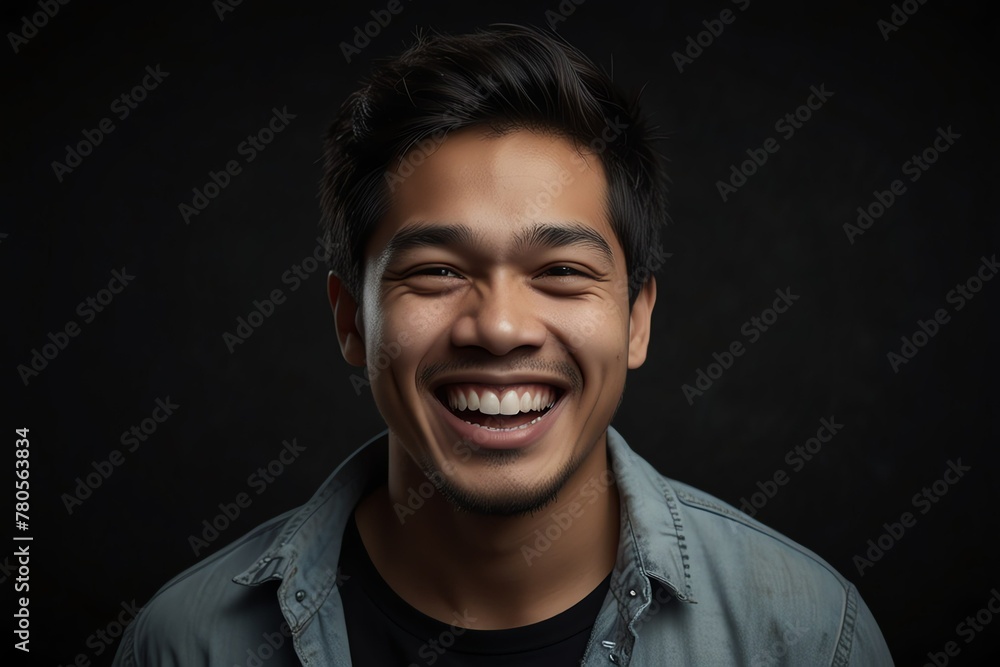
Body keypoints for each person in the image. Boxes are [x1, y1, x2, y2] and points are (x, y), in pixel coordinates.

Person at [113, 25, 893, 666]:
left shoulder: (808, 638)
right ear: (352, 319)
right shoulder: (188, 644)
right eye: (437, 270)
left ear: (636, 320)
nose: (500, 326)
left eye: (560, 270)